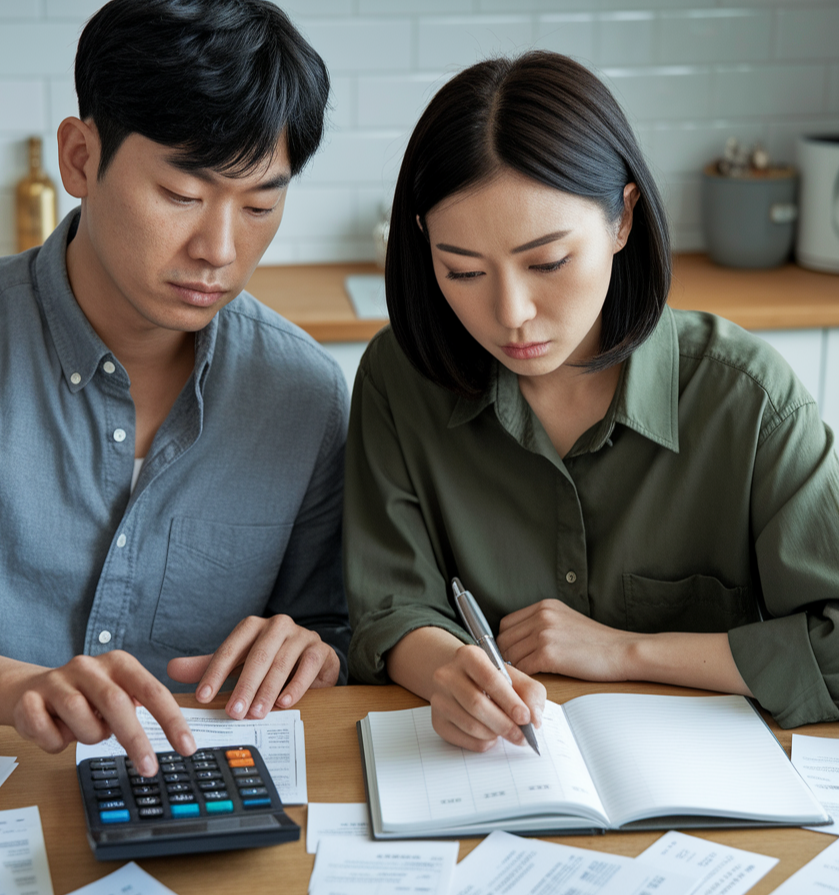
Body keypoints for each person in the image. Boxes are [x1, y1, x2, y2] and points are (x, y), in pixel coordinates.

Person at [0, 0, 351, 778]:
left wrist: (316, 650)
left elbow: (331, 628)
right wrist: (18, 689)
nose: (220, 250)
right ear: (79, 159)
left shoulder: (303, 392)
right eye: (182, 195)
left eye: (261, 205)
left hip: (199, 812)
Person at [344, 51, 839, 753]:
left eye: (547, 262)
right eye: (462, 270)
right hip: (487, 777)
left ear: (622, 220)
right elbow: (393, 607)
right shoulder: (399, 380)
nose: (510, 311)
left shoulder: (748, 396)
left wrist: (624, 651)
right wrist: (449, 671)